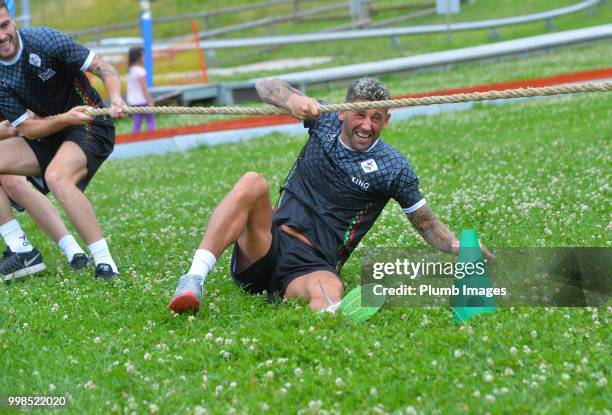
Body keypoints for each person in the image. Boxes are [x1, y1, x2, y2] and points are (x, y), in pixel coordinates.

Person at [168, 77, 492, 315]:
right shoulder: (321, 119)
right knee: (253, 182)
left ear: (387, 120)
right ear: (342, 112)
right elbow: (265, 85)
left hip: (312, 264)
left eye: (376, 118)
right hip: (267, 243)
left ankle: (328, 315)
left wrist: (454, 245)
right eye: (360, 114)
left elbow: (425, 222)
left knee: (330, 289)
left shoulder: (394, 167)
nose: (366, 125)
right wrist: (292, 101)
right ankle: (193, 278)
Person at [0, 1, 126, 280]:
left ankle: (105, 264)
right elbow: (29, 129)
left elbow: (103, 67)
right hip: (51, 129)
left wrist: (115, 96)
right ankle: (20, 250)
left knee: (57, 177)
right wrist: (63, 119)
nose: (1, 35)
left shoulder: (46, 40)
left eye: (4, 25)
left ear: (13, 21)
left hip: (90, 122)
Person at [0, 117, 89, 280]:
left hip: (25, 125)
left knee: (14, 183)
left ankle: (69, 249)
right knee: (13, 184)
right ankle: (20, 246)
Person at [126, 46, 154, 133]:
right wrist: (150, 102)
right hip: (142, 100)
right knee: (151, 120)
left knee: (137, 123)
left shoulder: (130, 71)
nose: (144, 58)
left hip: (133, 101)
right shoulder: (140, 71)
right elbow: (144, 88)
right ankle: (150, 137)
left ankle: (135, 139)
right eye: (143, 56)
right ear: (138, 58)